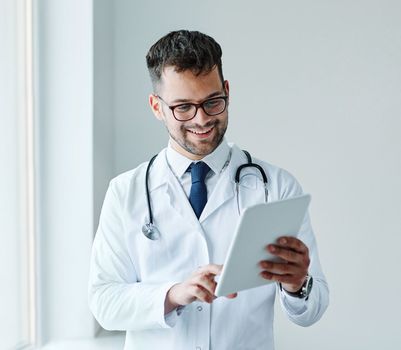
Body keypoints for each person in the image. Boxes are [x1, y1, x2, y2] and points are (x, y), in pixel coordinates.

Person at [88, 30, 329, 350]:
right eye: (183, 107)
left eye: (212, 102)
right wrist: (173, 294)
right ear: (156, 106)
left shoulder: (276, 187)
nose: (201, 119)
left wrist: (298, 284)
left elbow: (310, 311)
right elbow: (105, 302)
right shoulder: (125, 192)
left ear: (226, 91)